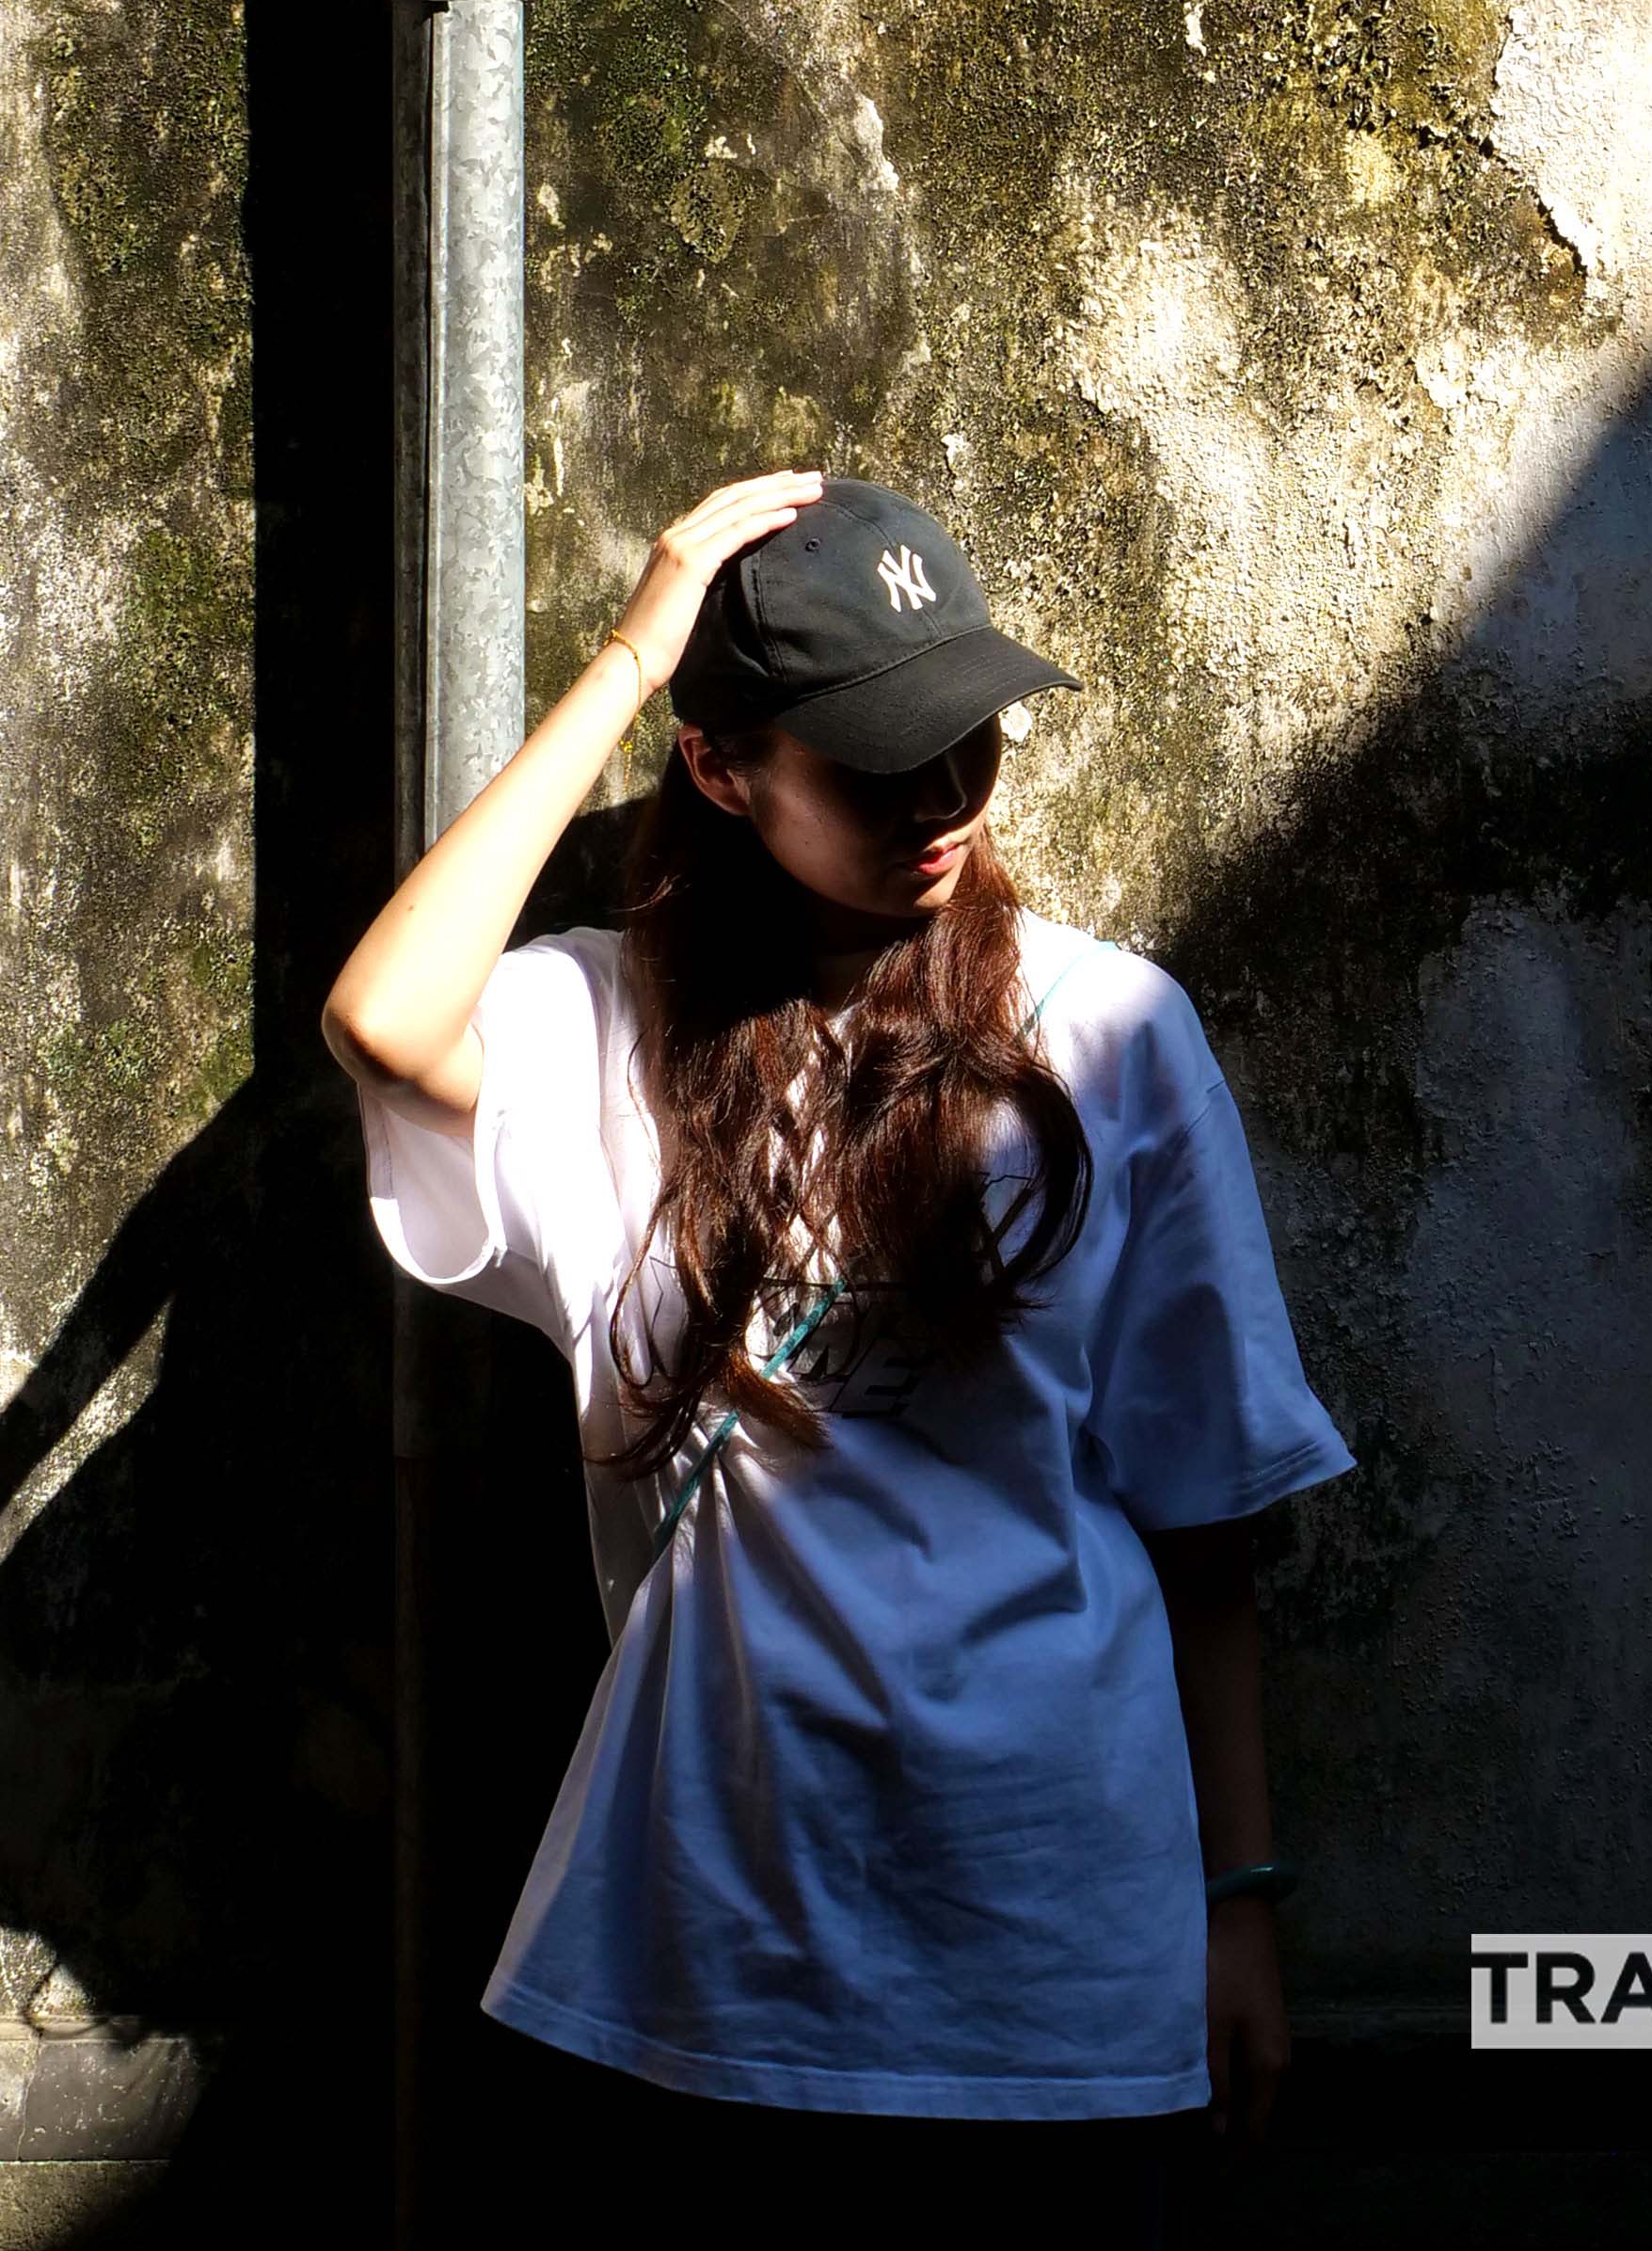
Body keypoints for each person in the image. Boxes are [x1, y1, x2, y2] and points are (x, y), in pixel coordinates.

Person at [324, 470, 1348, 2238]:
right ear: (726, 771)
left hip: (1054, 1936)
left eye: (969, 740)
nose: (944, 802)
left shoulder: (1113, 1033)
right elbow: (382, 1016)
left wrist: (1241, 1901)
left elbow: (1200, 1512)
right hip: (718, 1944)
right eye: (878, 765)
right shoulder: (606, 1033)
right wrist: (638, 652)